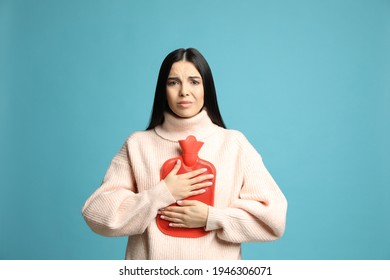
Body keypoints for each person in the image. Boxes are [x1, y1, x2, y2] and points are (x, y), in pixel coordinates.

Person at [82, 48, 288, 260]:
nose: (184, 92)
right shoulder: (138, 145)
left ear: (206, 87)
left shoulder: (234, 144)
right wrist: (162, 193)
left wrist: (212, 217)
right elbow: (96, 214)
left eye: (194, 81)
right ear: (163, 89)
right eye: (173, 82)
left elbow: (273, 220)